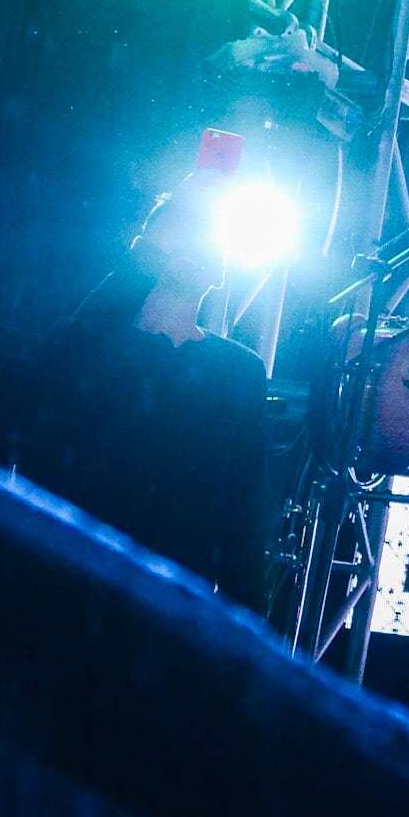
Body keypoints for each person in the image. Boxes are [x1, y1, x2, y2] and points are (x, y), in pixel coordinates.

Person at [21, 176, 270, 614]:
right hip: (68, 585)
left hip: (171, 606)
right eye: (186, 232)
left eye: (209, 239)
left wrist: (245, 629)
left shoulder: (240, 372)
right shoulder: (92, 342)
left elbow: (242, 513)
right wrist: (177, 214)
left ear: (220, 272)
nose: (196, 245)